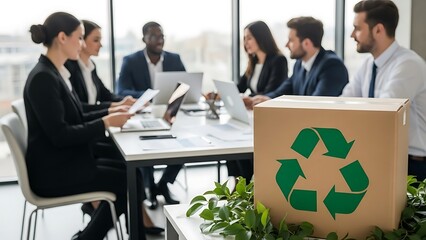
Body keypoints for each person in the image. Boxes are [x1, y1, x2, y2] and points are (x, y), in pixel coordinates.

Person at [24, 12, 162, 240]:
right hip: (52, 172)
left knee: (131, 173)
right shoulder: (44, 78)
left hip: (63, 161)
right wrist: (106, 122)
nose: (81, 44)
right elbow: (61, 134)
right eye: (79, 38)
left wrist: (110, 111)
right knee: (124, 180)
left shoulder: (54, 73)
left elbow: (78, 112)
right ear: (62, 38)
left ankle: (129, 234)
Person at [340, 0, 426, 180]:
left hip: (414, 166)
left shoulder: (408, 64)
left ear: (378, 30)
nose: (352, 34)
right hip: (385, 157)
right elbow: (343, 101)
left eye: (357, 28)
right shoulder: (368, 65)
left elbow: (383, 114)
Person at [117, 21, 183, 209]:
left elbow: (185, 85)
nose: (159, 40)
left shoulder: (174, 59)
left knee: (185, 141)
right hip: (144, 115)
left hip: (169, 114)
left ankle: (163, 184)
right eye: (154, 36)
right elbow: (121, 91)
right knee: (144, 146)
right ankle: (149, 188)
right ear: (144, 39)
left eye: (161, 36)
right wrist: (150, 95)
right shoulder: (131, 61)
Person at [227, 20, 289, 183]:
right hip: (251, 115)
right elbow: (239, 86)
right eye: (244, 38)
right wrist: (221, 93)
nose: (245, 42)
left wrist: (251, 99)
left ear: (261, 38)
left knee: (239, 141)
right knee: (232, 140)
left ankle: (245, 184)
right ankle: (238, 182)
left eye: (249, 38)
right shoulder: (253, 62)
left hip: (266, 117)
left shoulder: (278, 60)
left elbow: (272, 92)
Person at [243, 17, 349, 109]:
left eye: (291, 41)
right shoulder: (299, 64)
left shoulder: (331, 66)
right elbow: (286, 88)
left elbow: (317, 106)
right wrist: (267, 99)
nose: (286, 45)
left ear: (306, 43)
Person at [65, 20, 136, 112]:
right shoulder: (69, 68)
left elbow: (105, 94)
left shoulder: (91, 66)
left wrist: (126, 101)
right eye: (96, 40)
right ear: (82, 39)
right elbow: (78, 107)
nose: (101, 45)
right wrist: (115, 107)